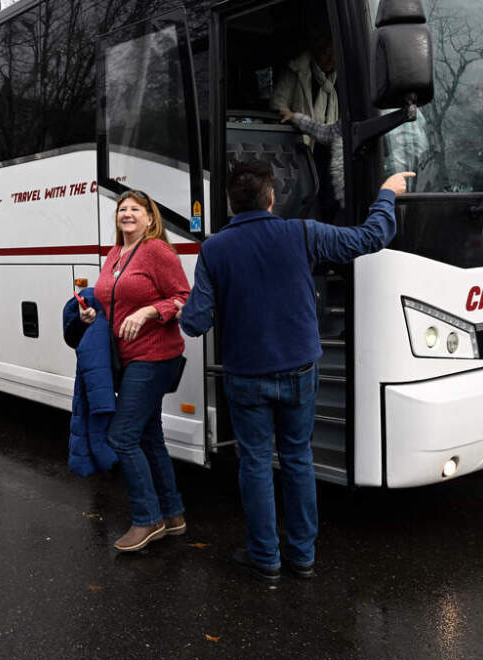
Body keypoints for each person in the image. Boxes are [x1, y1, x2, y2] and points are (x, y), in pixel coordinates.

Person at [176, 161, 414, 582]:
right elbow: (372, 237)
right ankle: (302, 557)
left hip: (246, 375)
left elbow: (195, 322)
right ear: (271, 198)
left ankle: (265, 557)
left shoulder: (214, 249)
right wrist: (387, 193)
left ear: (231, 203)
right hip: (299, 368)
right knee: (297, 459)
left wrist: (184, 308)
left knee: (254, 463)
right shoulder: (303, 233)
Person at [77, 190, 191, 551]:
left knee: (121, 436)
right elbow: (113, 300)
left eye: (135, 209)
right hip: (127, 358)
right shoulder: (114, 253)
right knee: (148, 436)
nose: (127, 214)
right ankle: (173, 515)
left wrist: (149, 312)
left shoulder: (156, 250)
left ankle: (148, 519)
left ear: (149, 218)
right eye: (122, 209)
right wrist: (94, 316)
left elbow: (183, 297)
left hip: (155, 357)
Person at [272, 35, 344, 216]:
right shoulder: (296, 72)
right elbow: (278, 104)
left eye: (335, 55)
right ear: (316, 51)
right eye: (326, 53)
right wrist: (292, 118)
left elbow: (328, 132)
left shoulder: (336, 80)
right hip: (300, 148)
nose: (331, 59)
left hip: (328, 150)